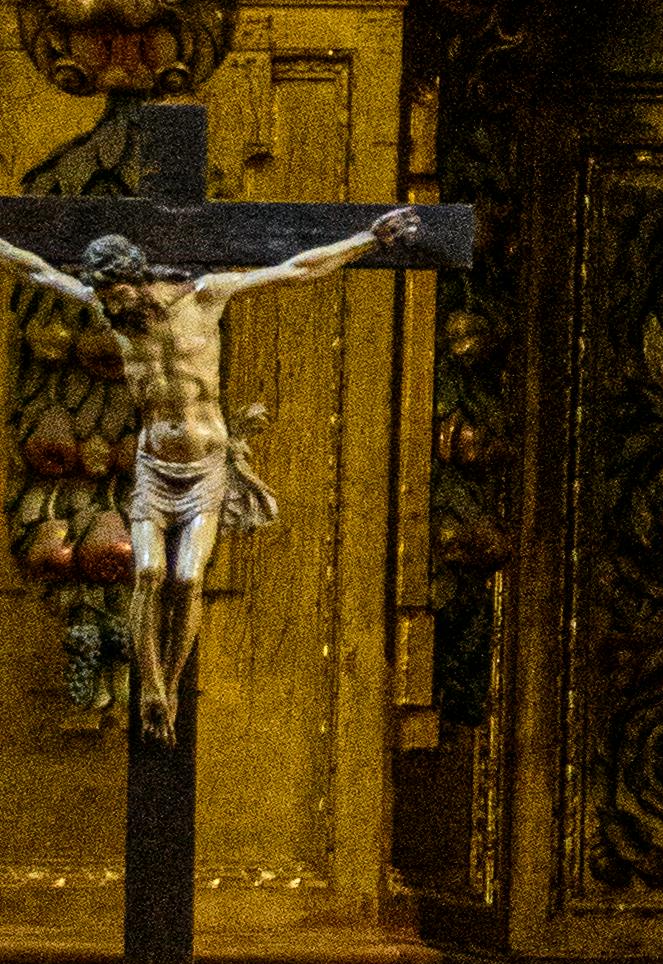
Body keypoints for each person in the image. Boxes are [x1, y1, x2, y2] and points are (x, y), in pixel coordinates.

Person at [0, 212, 429, 737]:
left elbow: (297, 269)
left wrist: (368, 239)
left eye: (114, 294)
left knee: (187, 577)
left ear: (133, 279)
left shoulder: (204, 297)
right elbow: (37, 273)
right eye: (103, 298)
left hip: (204, 468)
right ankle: (151, 688)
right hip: (154, 468)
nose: (108, 308)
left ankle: (171, 684)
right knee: (149, 573)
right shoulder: (111, 313)